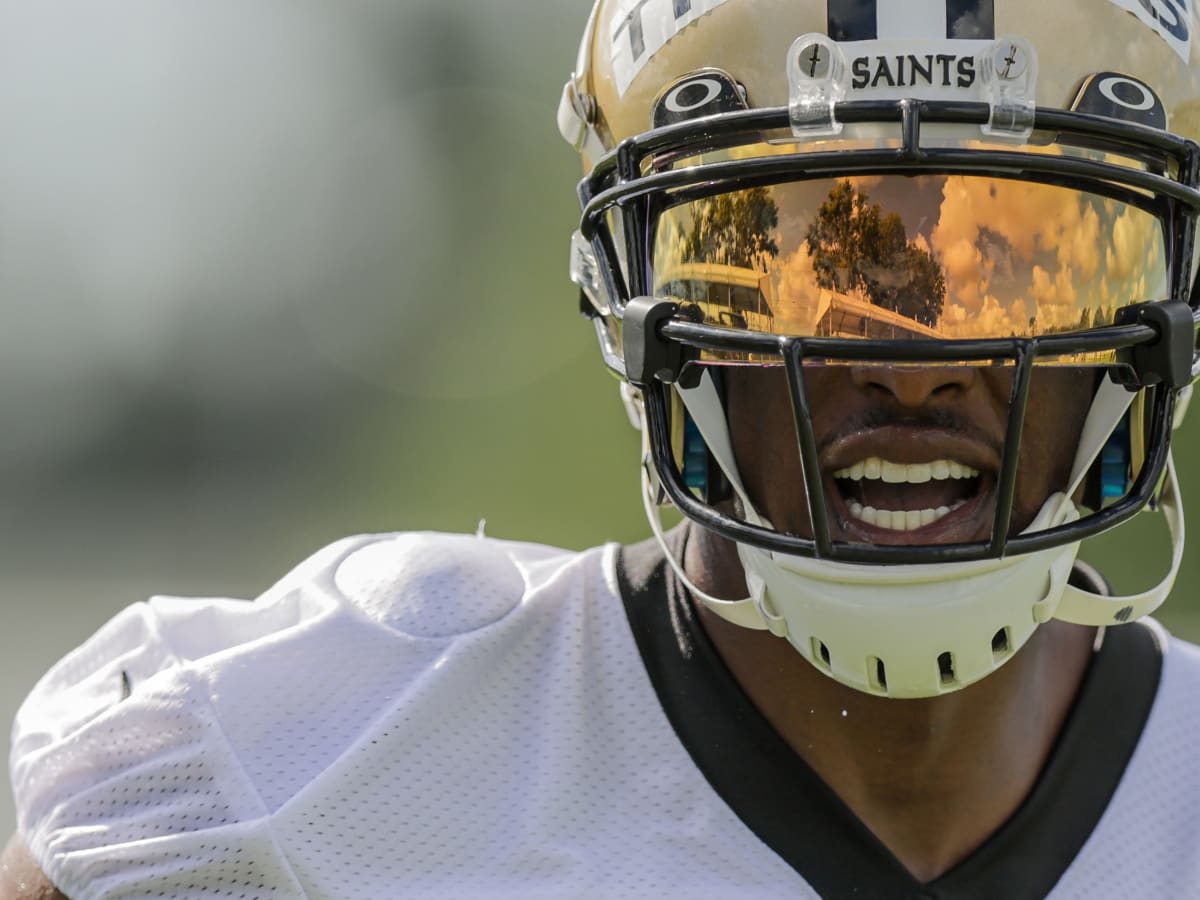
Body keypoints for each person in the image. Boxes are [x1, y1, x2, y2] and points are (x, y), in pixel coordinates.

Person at [5, 0, 1200, 896]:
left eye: (1020, 263)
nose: (910, 360)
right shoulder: (321, 760)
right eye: (796, 260)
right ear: (630, 303)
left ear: (1150, 327)